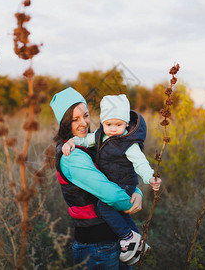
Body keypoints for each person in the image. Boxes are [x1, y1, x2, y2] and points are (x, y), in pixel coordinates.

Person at [50, 87, 145, 269]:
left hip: (115, 239)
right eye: (74, 119)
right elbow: (110, 193)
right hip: (96, 246)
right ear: (63, 123)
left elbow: (119, 173)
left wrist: (138, 191)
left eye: (85, 115)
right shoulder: (72, 156)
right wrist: (131, 202)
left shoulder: (94, 142)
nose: (84, 123)